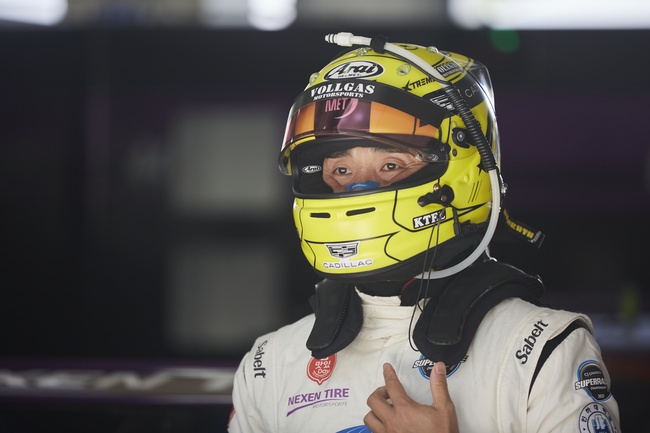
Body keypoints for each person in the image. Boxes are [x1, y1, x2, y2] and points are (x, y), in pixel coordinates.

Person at [228, 32, 621, 433]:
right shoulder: (269, 364)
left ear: (461, 171)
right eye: (341, 170)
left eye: (390, 166)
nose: (358, 188)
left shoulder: (541, 347)